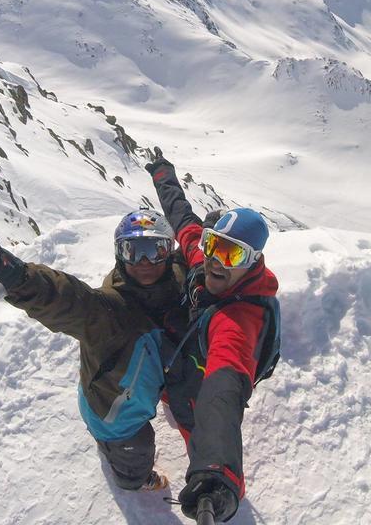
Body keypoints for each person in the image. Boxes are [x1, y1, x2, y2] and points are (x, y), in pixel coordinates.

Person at [0, 209, 188, 492]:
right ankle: (133, 478)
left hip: (126, 385)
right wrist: (3, 268)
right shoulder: (108, 313)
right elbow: (61, 298)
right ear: (120, 255)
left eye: (155, 249)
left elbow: (191, 252)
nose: (144, 262)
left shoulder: (176, 278)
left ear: (169, 252)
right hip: (115, 417)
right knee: (137, 452)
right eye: (133, 250)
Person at [144, 149, 280, 523]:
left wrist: (217, 471)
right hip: (186, 357)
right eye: (212, 246)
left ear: (252, 261)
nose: (215, 261)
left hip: (200, 384)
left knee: (195, 423)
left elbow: (223, 385)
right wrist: (163, 175)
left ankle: (214, 472)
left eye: (231, 254)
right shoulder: (203, 259)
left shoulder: (240, 318)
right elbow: (182, 217)